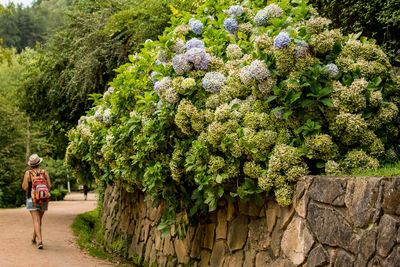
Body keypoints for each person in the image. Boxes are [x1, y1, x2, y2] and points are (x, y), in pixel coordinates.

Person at [22, 154, 51, 249]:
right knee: (39, 220)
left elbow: (25, 187)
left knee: (36, 220)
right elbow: (49, 186)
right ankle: (34, 238)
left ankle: (40, 241)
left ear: (31, 164)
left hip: (32, 199)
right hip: (44, 199)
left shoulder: (28, 173)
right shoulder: (44, 172)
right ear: (39, 163)